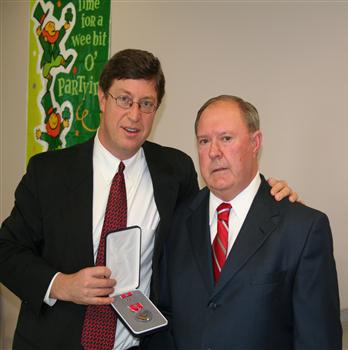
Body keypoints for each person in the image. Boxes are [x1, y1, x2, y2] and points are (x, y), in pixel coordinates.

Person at [0, 50, 296, 350]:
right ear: (102, 98)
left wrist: (267, 197)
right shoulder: (48, 171)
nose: (134, 115)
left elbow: (210, 227)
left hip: (137, 344)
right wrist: (60, 284)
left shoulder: (175, 171)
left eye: (146, 104)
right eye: (124, 99)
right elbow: (6, 250)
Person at [147, 95, 342, 350]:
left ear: (255, 142)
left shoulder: (302, 229)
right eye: (204, 141)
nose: (214, 152)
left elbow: (317, 341)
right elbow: (165, 318)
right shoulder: (178, 221)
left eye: (226, 139)